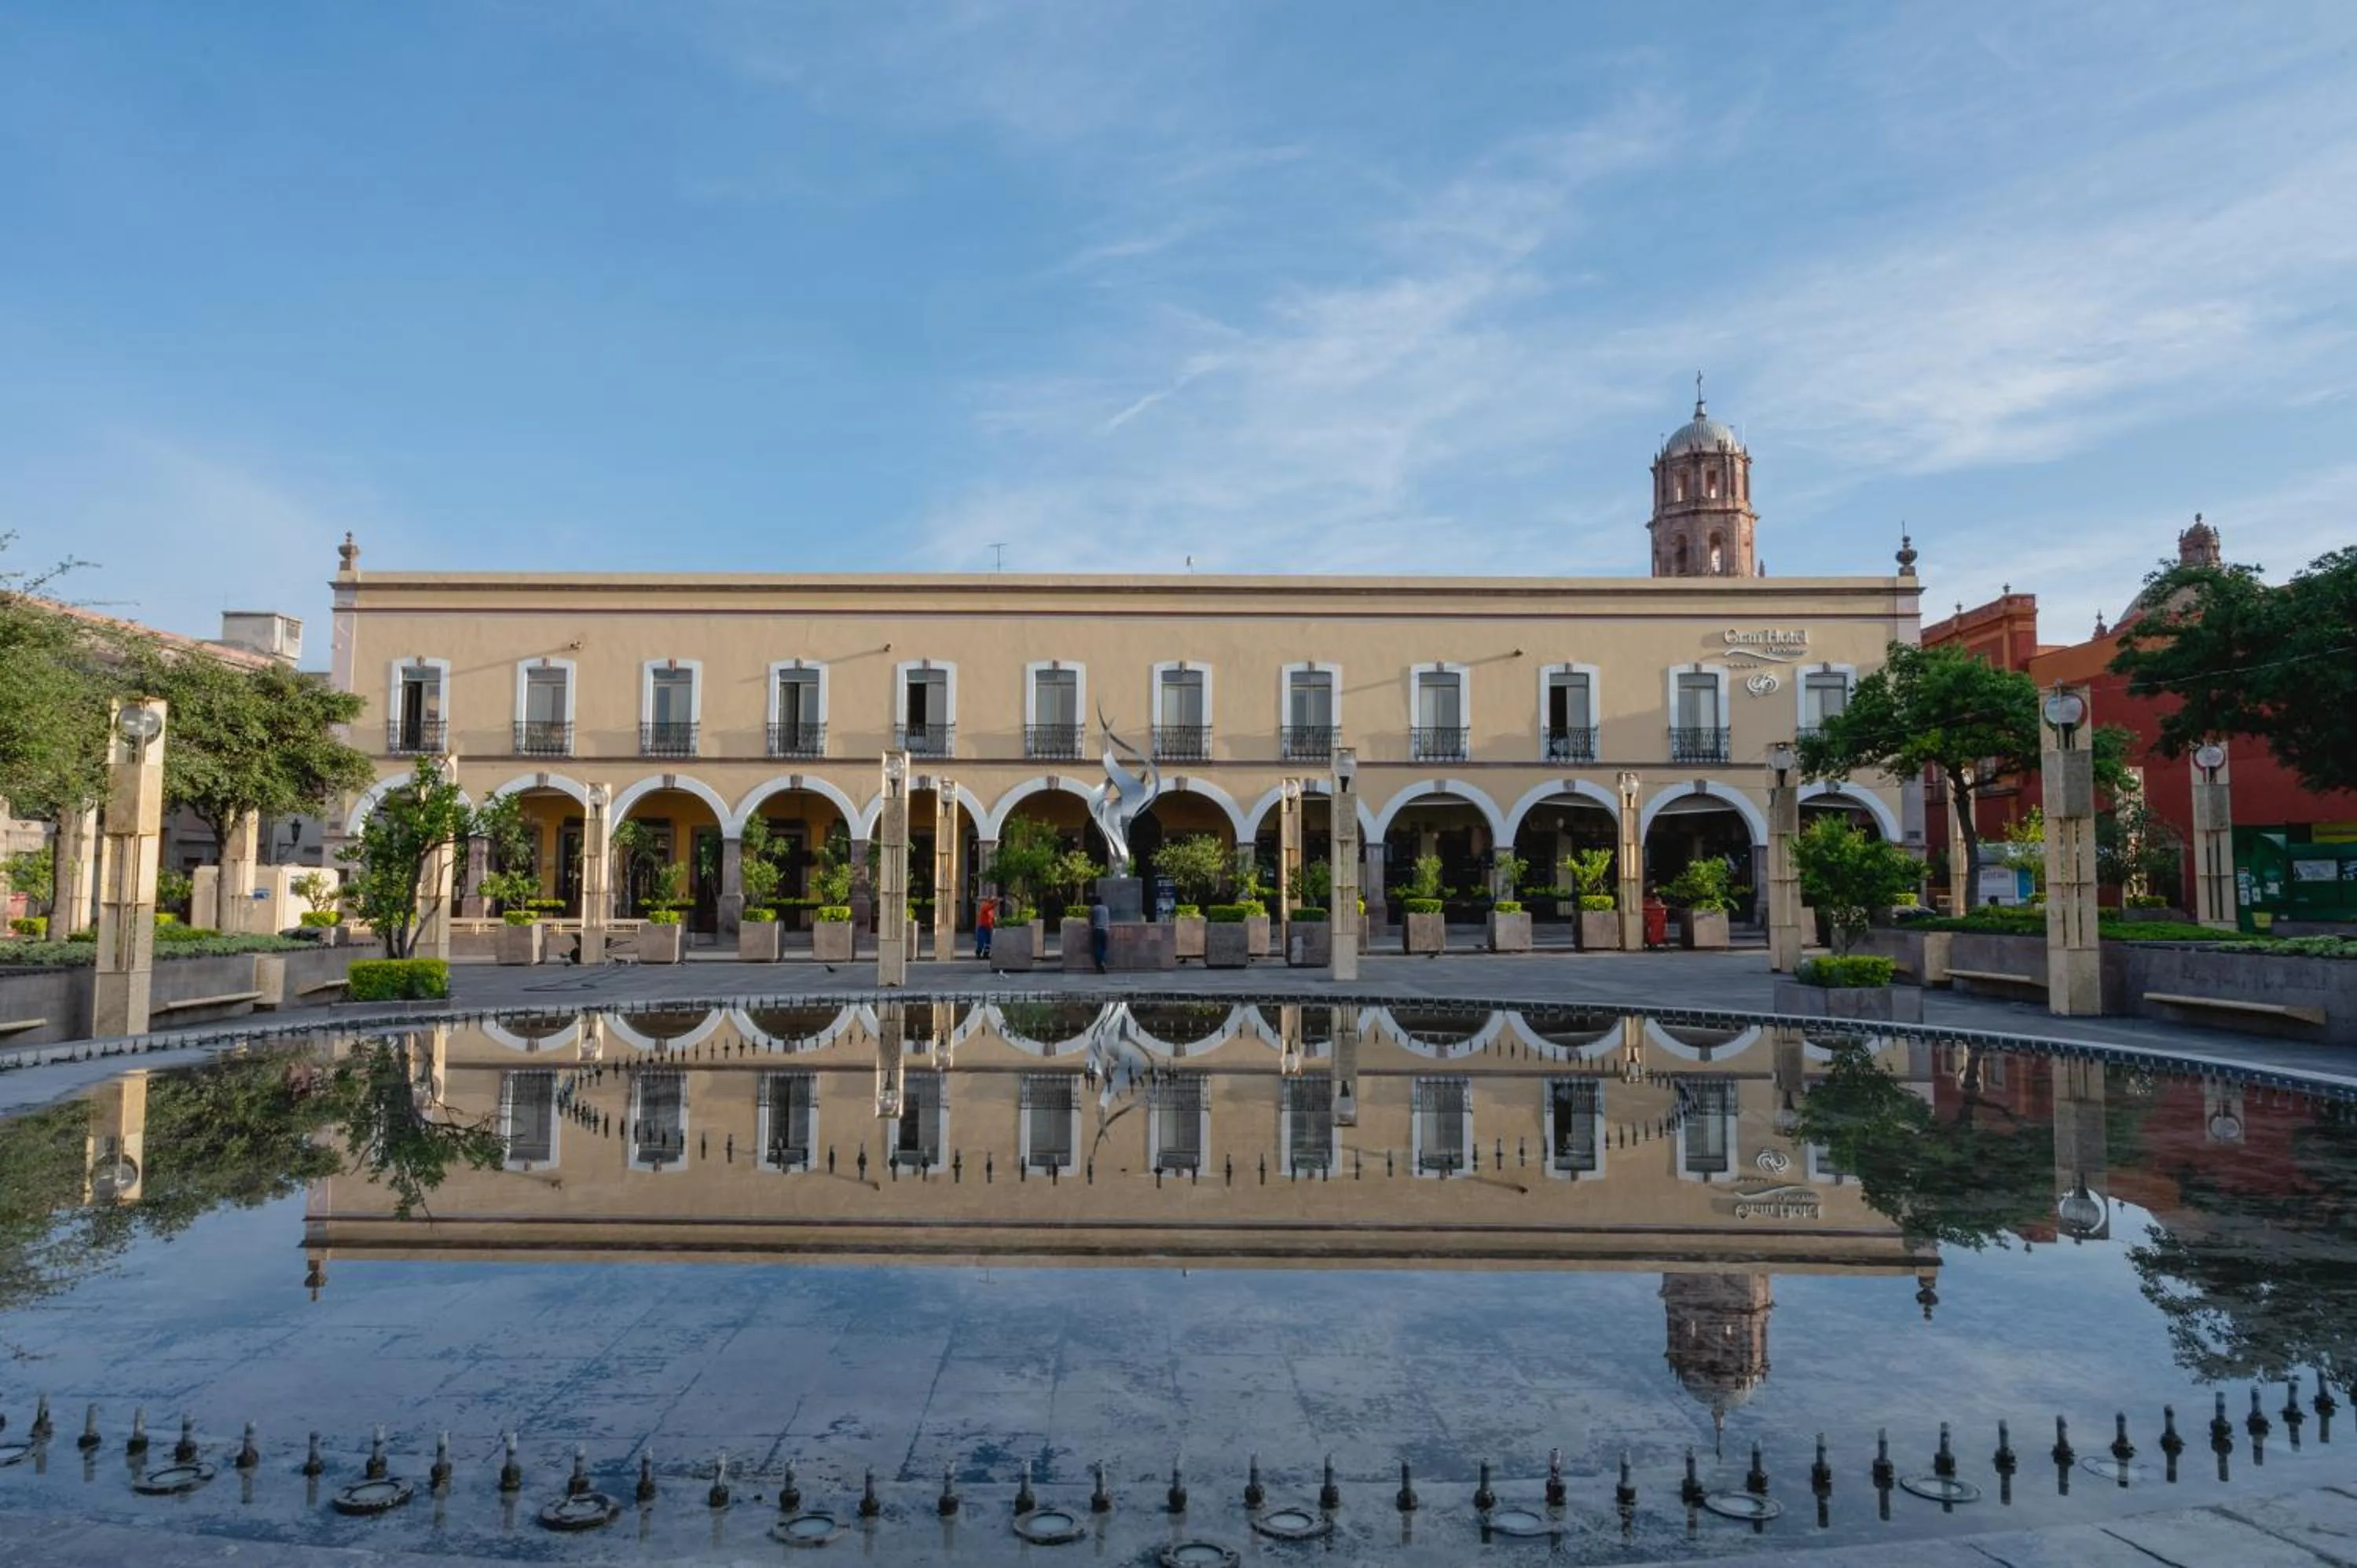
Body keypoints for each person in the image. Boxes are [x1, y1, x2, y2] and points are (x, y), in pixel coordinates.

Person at [1089, 893, 1112, 973]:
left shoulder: (1094, 908)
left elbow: (1091, 920)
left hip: (1097, 929)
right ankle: (1102, 962)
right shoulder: (1106, 908)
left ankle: (1100, 963)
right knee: (1103, 947)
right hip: (1105, 930)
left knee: (1097, 947)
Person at [975, 895, 996, 960]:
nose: (993, 901)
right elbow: (988, 908)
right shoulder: (984, 905)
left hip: (988, 927)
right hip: (982, 927)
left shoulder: (991, 910)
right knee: (981, 942)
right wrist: (995, 903)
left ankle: (986, 954)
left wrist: (994, 923)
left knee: (988, 943)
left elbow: (992, 918)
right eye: (992, 900)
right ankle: (978, 953)